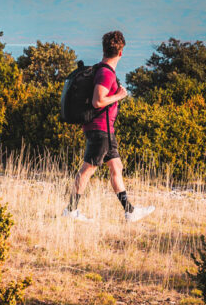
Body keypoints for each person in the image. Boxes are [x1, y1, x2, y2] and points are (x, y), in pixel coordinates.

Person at [62, 31, 155, 222]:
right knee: (87, 170)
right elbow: (98, 101)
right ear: (121, 53)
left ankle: (130, 211)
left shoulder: (102, 69)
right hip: (100, 130)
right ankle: (70, 211)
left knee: (116, 166)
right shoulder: (105, 73)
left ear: (104, 49)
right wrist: (119, 96)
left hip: (105, 129)